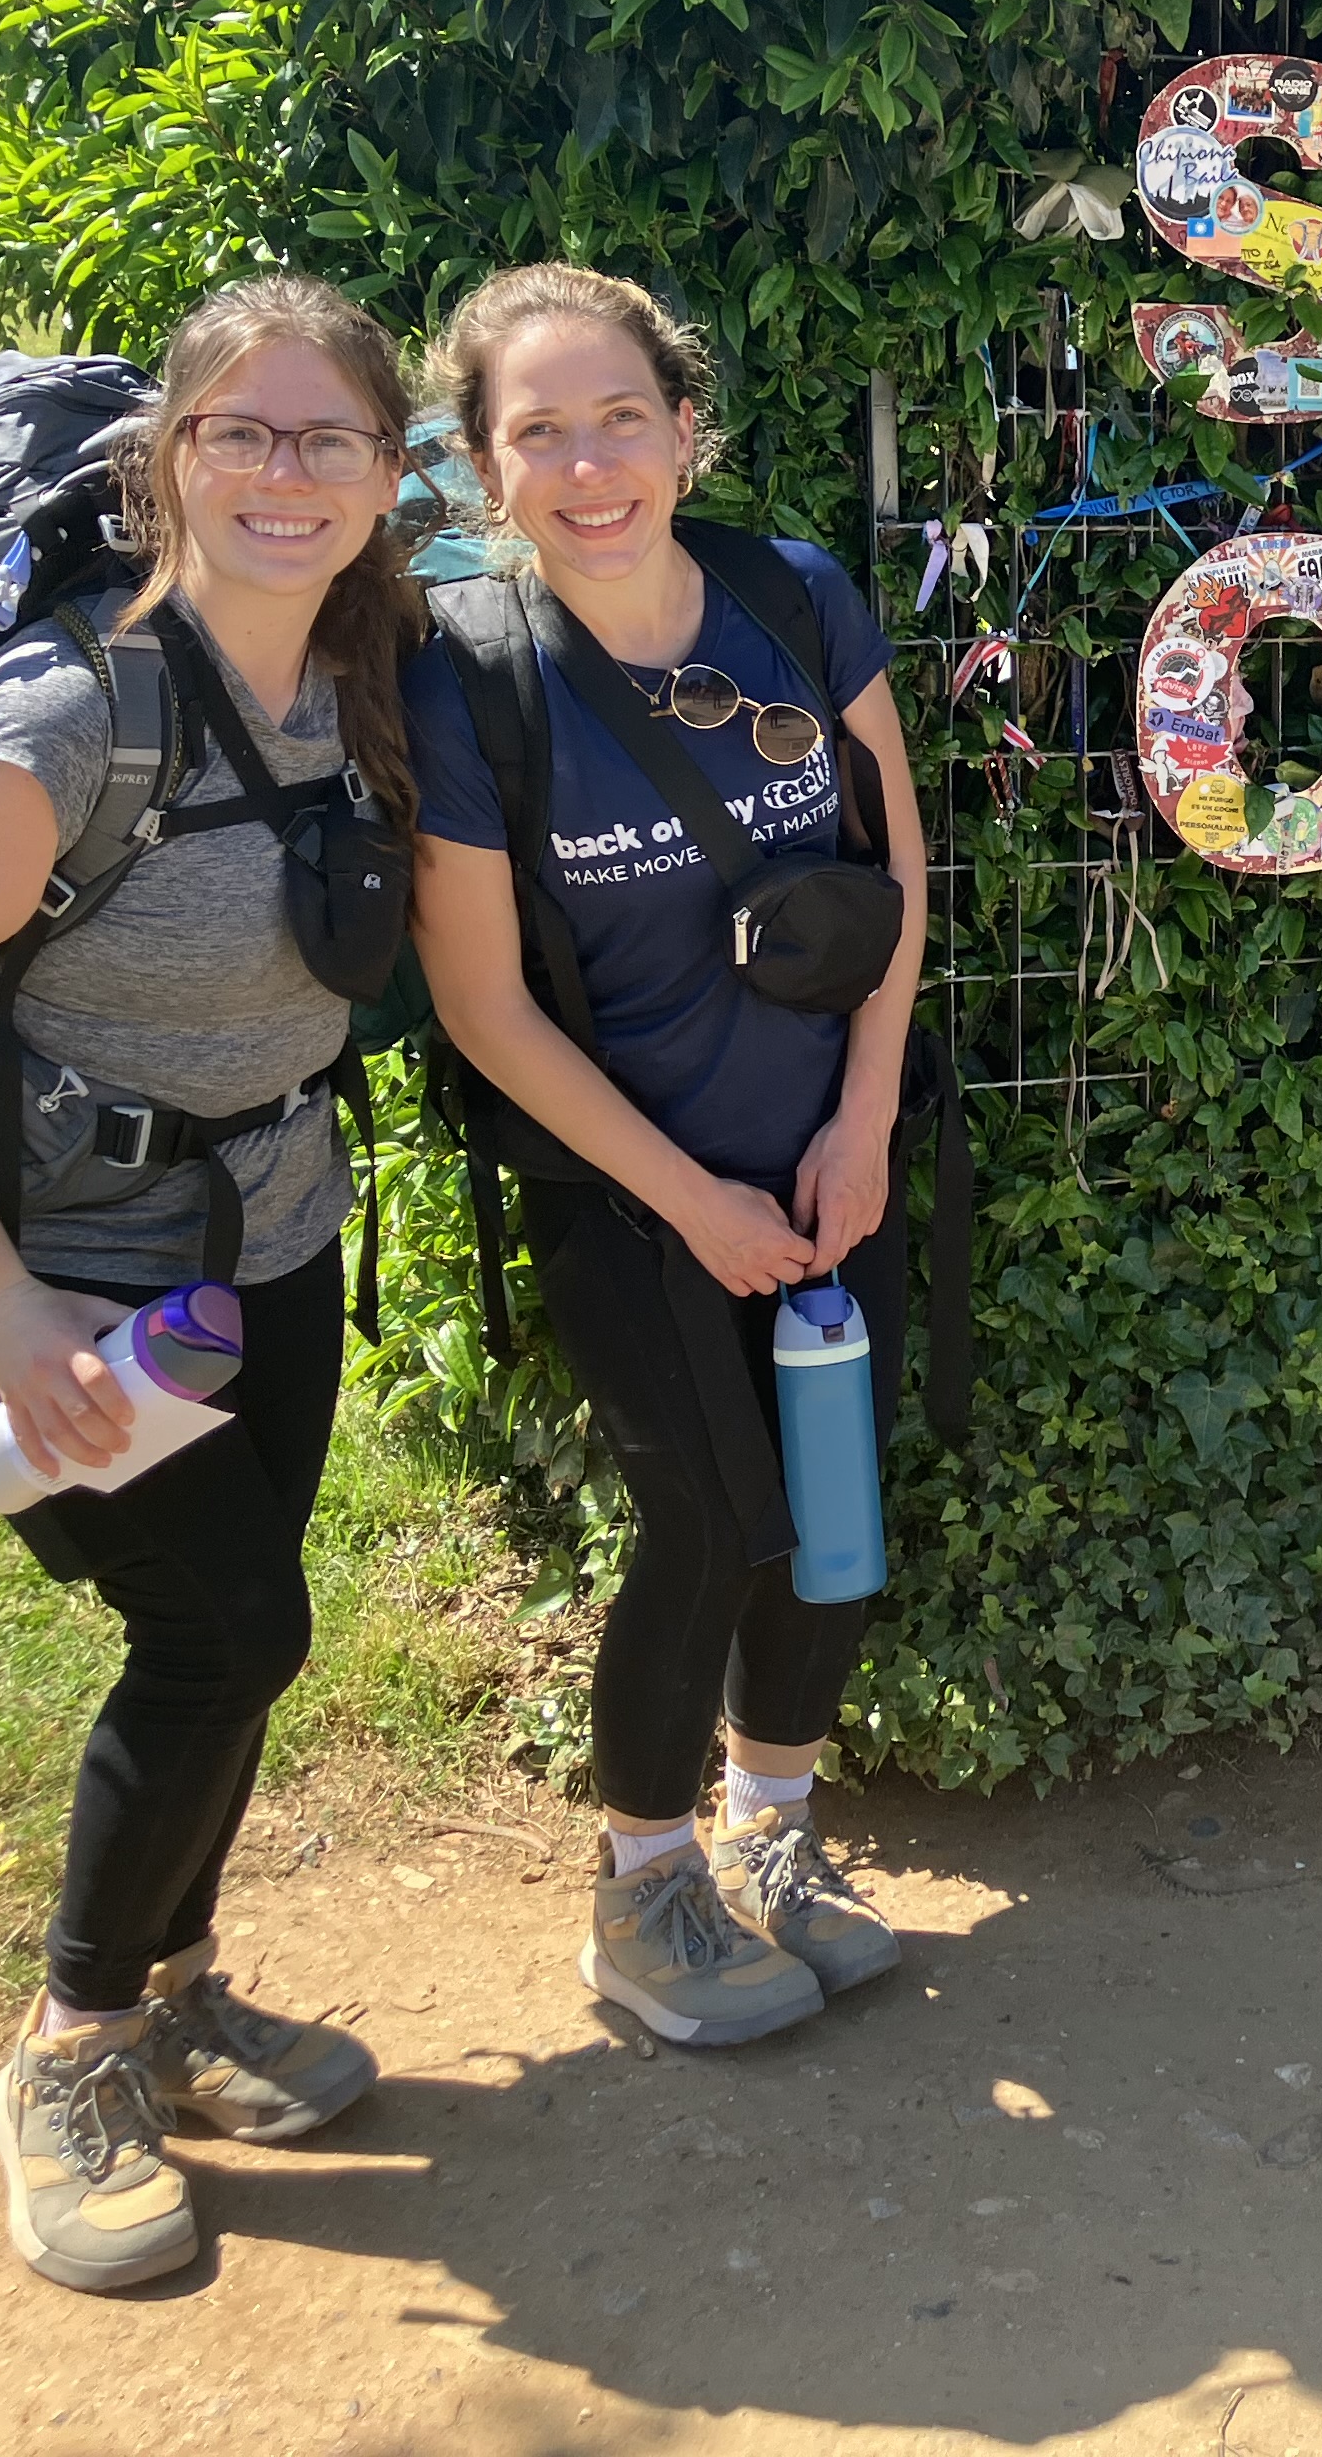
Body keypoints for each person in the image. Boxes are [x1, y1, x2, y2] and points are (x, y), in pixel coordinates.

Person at [0, 275, 418, 2292]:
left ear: (389, 476)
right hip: (73, 1271)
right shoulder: (68, 715)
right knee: (221, 1630)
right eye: (242, 429)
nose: (284, 471)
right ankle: (68, 2057)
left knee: (247, 1637)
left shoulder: (357, 683)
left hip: (276, 1233)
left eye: (330, 436)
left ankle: (174, 1996)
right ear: (167, 457)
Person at [404, 264, 931, 2049]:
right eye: (536, 431)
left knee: (833, 1536)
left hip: (830, 1168)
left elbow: (896, 879)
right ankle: (642, 1893)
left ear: (686, 430)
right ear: (485, 472)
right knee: (703, 1532)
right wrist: (684, 1199)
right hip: (631, 1198)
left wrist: (860, 1125)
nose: (589, 461)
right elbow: (484, 1008)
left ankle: (772, 1840)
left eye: (621, 415)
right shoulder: (471, 679)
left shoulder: (795, 598)